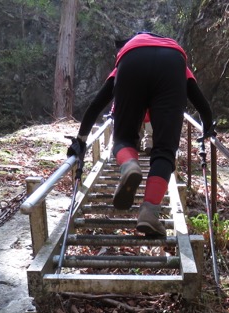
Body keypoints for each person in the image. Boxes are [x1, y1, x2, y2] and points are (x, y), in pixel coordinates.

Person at [68, 32, 214, 236]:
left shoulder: (131, 50)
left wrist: (81, 140)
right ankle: (149, 213)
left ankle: (129, 165)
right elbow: (199, 100)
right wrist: (208, 127)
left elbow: (96, 105)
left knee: (124, 138)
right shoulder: (171, 50)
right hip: (173, 62)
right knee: (164, 151)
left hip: (131, 61)